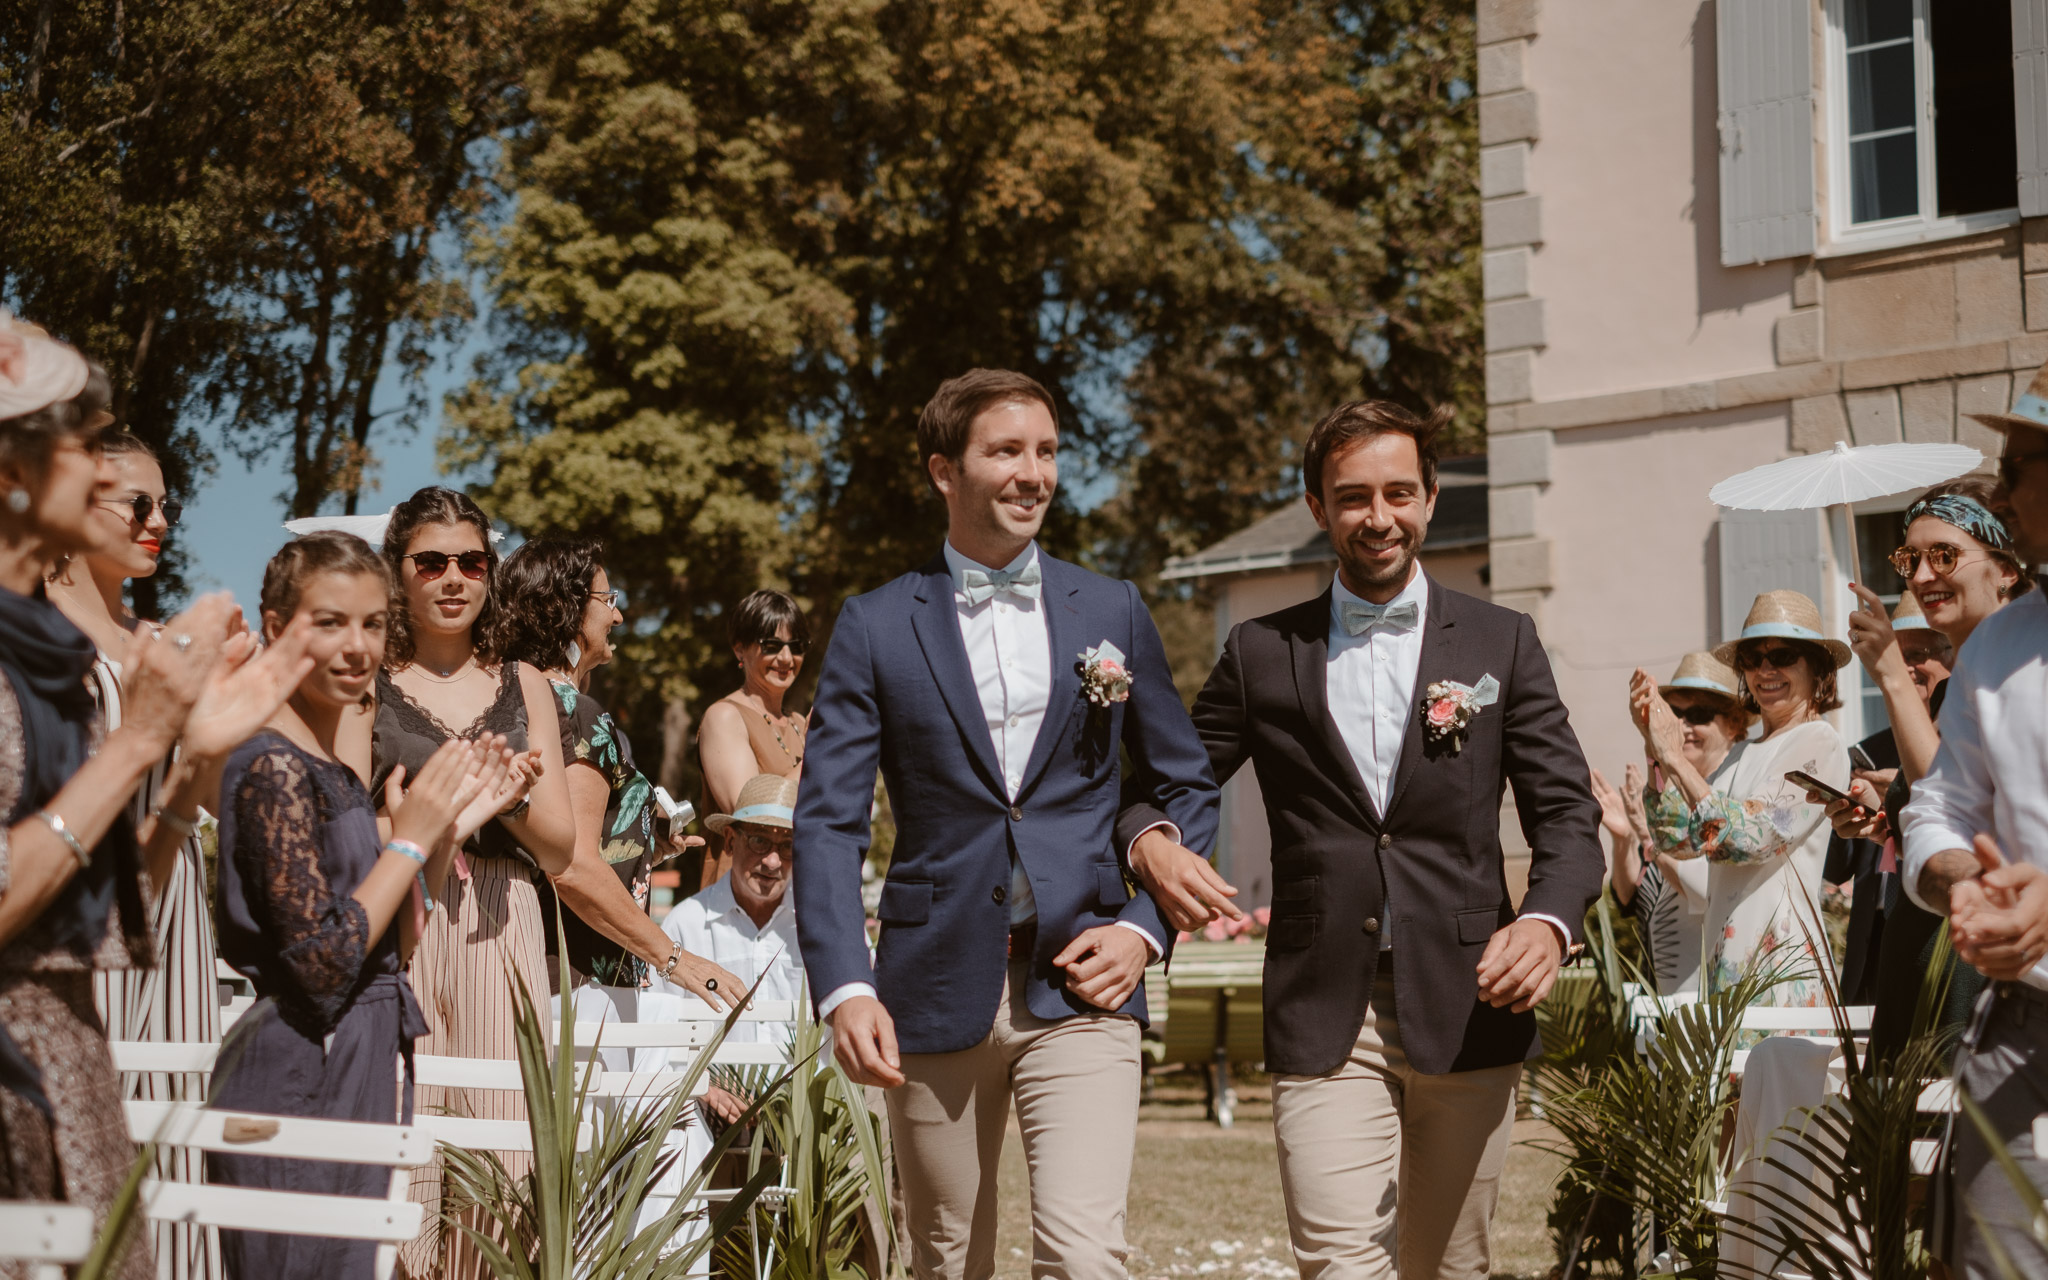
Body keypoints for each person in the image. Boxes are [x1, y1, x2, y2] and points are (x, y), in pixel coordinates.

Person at [1119, 398, 1605, 1280]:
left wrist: (1546, 922)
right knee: (1341, 1264)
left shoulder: (1503, 641)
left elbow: (1568, 817)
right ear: (1318, 508)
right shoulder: (1260, 651)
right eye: (1353, 497)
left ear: (1427, 499)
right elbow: (1166, 781)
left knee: (1450, 1266)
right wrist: (1149, 838)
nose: (1378, 518)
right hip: (1323, 1003)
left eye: (1398, 494)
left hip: (1471, 1002)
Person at [795, 368, 1218, 1280]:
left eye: (1047, 452)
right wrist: (844, 986)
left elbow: (1186, 785)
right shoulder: (872, 625)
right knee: (945, 1257)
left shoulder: (1113, 610)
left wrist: (1145, 931)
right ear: (945, 471)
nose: (1034, 474)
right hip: (930, 984)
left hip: (1083, 982)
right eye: (1007, 452)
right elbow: (828, 824)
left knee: (1083, 1255)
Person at [0, 316, 315, 1280]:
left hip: (69, 1049)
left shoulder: (40, 657)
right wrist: (138, 736)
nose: (108, 480)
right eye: (81, 446)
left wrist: (186, 774)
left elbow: (75, 898)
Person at [208, 533, 519, 1280]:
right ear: (275, 625)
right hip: (300, 1068)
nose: (357, 646)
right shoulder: (269, 769)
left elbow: (396, 943)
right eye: (330, 621)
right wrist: (408, 844)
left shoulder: (335, 772)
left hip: (366, 1053)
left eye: (373, 623)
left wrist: (445, 833)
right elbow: (322, 963)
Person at [341, 485, 577, 1280]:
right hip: (400, 907)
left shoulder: (525, 682)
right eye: (431, 561)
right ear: (398, 572)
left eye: (471, 561)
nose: (453, 578)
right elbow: (339, 820)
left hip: (503, 919)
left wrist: (502, 805)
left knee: (503, 1151)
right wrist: (421, 823)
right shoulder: (368, 677)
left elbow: (560, 844)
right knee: (405, 1137)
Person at [45, 430, 220, 1280]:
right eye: (137, 505)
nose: (158, 522)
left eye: (167, 507)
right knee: (91, 1128)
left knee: (172, 1140)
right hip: (81, 903)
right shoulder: (40, 644)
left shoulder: (168, 643)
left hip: (179, 908)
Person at [1899, 362, 2048, 1280]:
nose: (2004, 487)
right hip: (2022, 1025)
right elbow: (1942, 805)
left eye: (2020, 462)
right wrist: (1969, 886)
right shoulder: (1998, 645)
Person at [1818, 480, 2027, 1057]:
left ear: (2006, 567)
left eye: (1946, 555)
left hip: (1977, 954)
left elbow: (1962, 810)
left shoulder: (2018, 675)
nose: (1922, 575)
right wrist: (1889, 817)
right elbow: (1939, 808)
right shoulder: (1952, 694)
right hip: (1920, 941)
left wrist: (1888, 673)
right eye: (1911, 558)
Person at [488, 536, 738, 1007]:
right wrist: (679, 961)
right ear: (566, 609)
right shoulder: (577, 714)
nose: (618, 616)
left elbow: (550, 840)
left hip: (533, 962)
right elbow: (574, 866)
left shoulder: (508, 703)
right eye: (608, 600)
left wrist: (641, 844)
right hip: (578, 980)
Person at [1641, 590, 1847, 1008]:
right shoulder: (1742, 754)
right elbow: (1677, 839)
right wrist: (1656, 750)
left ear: (1817, 668)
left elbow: (1750, 840)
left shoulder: (1819, 741)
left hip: (1781, 971)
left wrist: (1674, 757)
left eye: (1783, 654)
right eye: (1752, 658)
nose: (1765, 669)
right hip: (1727, 967)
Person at [1822, 593, 1950, 1006]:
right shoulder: (1869, 750)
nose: (1906, 666)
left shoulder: (1964, 747)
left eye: (1919, 654)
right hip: (1873, 940)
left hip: (1940, 940)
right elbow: (1837, 869)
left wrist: (1903, 793)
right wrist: (1851, 812)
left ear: (1950, 658)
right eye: (1896, 654)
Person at [1597, 651, 1749, 997]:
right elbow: (1627, 898)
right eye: (1675, 713)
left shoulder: (1732, 792)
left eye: (1698, 715)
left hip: (1706, 995)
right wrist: (1623, 839)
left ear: (1734, 723)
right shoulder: (1664, 794)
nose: (1682, 726)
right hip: (1663, 994)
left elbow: (1704, 889)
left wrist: (1646, 835)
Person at [696, 589, 809, 891]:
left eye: (796, 646)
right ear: (739, 649)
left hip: (796, 896)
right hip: (739, 897)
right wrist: (817, 755)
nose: (786, 658)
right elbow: (752, 812)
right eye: (772, 645)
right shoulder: (724, 717)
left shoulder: (800, 724)